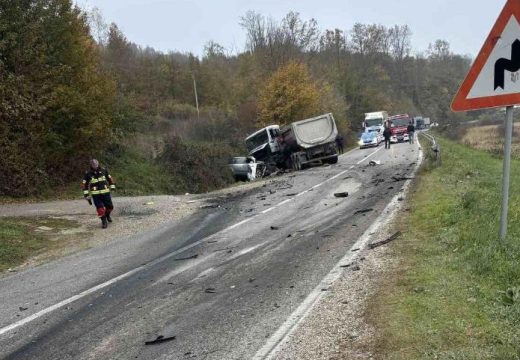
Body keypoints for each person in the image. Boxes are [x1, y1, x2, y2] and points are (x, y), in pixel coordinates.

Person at [82, 159, 116, 229]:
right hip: (96, 195)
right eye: (93, 164)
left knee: (110, 207)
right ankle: (104, 221)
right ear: (91, 165)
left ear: (98, 163)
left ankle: (107, 215)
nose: (95, 165)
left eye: (96, 164)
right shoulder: (88, 173)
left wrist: (112, 187)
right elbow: (84, 185)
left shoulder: (104, 170)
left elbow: (110, 179)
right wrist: (86, 195)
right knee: (100, 209)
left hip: (106, 192)